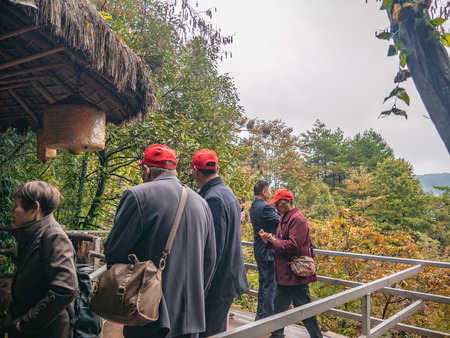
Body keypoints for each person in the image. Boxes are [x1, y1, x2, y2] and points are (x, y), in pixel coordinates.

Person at [104, 144, 216, 338]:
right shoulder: (202, 203)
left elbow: (114, 251)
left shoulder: (137, 195)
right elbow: (211, 259)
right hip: (191, 317)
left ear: (147, 170)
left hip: (148, 313)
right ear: (173, 170)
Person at [6, 181, 78, 337]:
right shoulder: (32, 235)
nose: (12, 211)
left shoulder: (53, 237)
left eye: (16, 206)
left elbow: (66, 288)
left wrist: (26, 323)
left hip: (47, 331)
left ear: (34, 208)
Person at [191, 149, 249, 337]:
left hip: (217, 282)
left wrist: (200, 289)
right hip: (228, 277)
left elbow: (212, 249)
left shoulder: (212, 198)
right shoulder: (227, 193)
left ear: (196, 171)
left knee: (209, 332)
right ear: (217, 168)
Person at [259, 189, 322, 338]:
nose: (276, 208)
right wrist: (269, 241)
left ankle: (316, 336)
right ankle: (277, 335)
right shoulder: (285, 217)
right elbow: (280, 241)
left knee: (305, 311)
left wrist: (274, 241)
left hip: (294, 277)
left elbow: (294, 245)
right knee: (278, 309)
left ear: (287, 202)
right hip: (285, 275)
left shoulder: (297, 219)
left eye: (278, 205)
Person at [249, 180, 280, 320]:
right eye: (269, 191)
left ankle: (260, 317)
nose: (270, 194)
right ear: (264, 192)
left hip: (259, 250)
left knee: (263, 285)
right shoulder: (265, 207)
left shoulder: (254, 206)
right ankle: (267, 320)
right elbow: (280, 221)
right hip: (267, 251)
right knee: (269, 287)